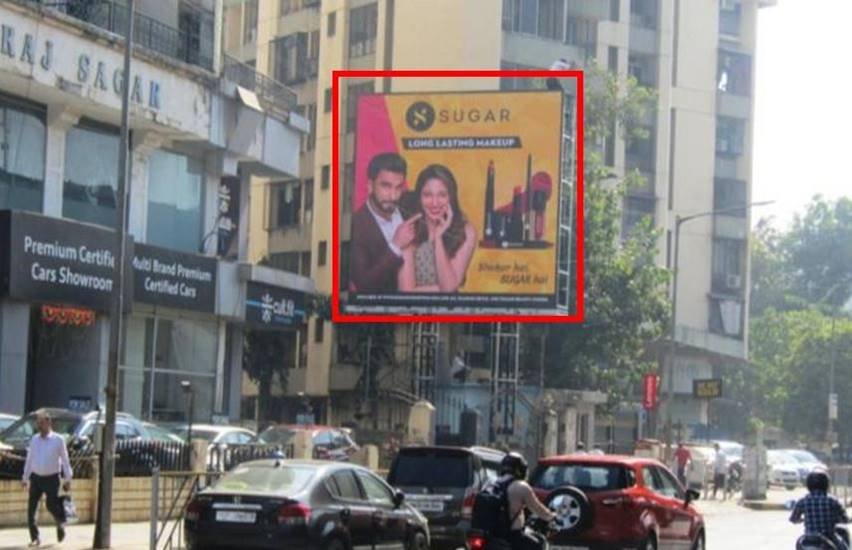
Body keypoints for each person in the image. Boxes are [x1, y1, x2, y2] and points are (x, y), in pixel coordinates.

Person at [397, 164, 476, 293]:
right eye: (427, 195)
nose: (435, 203)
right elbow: (406, 293)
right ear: (419, 198)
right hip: (413, 311)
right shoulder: (409, 226)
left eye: (442, 195)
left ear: (451, 197)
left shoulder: (466, 231)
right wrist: (442, 287)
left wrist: (438, 238)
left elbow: (449, 289)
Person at [349, 153, 421, 293]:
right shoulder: (357, 225)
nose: (393, 195)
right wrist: (395, 246)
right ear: (370, 186)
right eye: (386, 186)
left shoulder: (411, 204)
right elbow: (364, 285)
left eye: (398, 187)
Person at [22, 410, 72, 547]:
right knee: (31, 509)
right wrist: (25, 477)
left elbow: (65, 460)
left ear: (49, 423)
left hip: (52, 478)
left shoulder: (58, 440)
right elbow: (30, 459)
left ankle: (60, 521)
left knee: (51, 504)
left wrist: (68, 478)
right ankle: (35, 538)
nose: (39, 426)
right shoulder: (34, 439)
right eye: (38, 423)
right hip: (36, 478)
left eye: (42, 422)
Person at [500, 452, 556, 550]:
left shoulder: (491, 483)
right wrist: (551, 517)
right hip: (511, 534)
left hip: (490, 534)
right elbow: (537, 508)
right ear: (521, 469)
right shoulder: (521, 486)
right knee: (538, 545)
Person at [790, 470, 850, 550]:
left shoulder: (802, 501)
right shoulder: (832, 500)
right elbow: (844, 519)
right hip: (829, 538)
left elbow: (793, 519)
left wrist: (802, 520)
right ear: (826, 485)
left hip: (808, 539)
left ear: (808, 485)